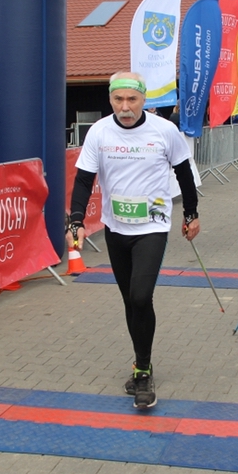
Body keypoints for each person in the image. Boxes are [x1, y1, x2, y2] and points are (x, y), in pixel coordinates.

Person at [69, 71, 200, 409]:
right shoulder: (99, 132)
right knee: (130, 300)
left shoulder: (164, 131)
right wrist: (76, 220)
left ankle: (143, 371)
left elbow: (184, 173)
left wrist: (190, 213)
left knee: (141, 296)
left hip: (152, 225)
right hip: (116, 228)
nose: (125, 107)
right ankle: (141, 363)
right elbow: (83, 180)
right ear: (110, 100)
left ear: (144, 100)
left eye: (132, 99)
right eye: (118, 99)